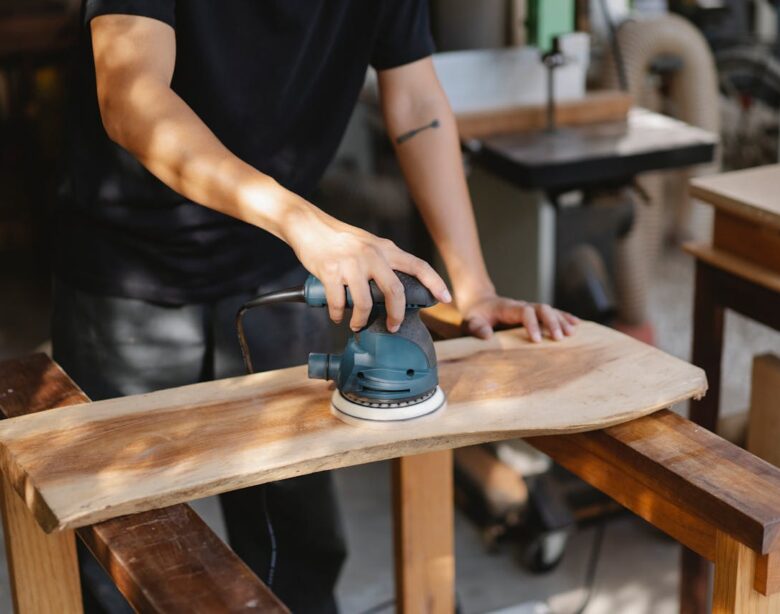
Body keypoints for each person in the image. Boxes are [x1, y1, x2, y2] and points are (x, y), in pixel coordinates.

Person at [54, 1, 579, 612]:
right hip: (127, 273)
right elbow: (131, 98)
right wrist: (304, 223)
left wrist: (474, 286)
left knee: (298, 545)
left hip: (277, 261)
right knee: (116, 549)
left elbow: (416, 103)